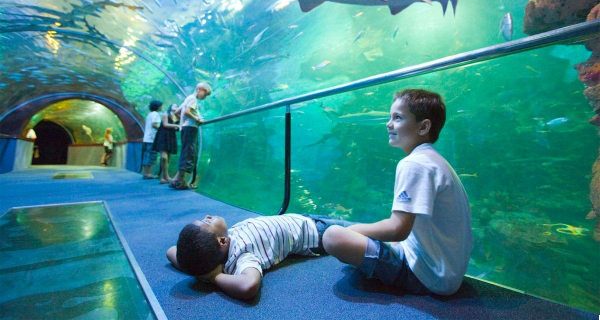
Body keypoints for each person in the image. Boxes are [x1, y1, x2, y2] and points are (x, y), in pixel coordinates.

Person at [322, 89, 473, 296]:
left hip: (428, 276)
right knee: (354, 233)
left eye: (398, 118)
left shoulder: (415, 164)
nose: (388, 124)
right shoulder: (433, 159)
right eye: (389, 117)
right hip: (446, 272)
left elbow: (397, 230)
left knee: (333, 236)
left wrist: (354, 230)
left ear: (423, 127)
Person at [166, 214, 351, 300]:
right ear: (221, 242)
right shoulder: (242, 256)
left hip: (302, 220)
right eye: (207, 222)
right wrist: (214, 277)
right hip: (315, 234)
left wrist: (200, 270)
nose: (207, 216)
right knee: (362, 230)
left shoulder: (218, 248)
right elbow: (249, 286)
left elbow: (172, 251)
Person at [170, 82, 211, 190]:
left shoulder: (188, 98)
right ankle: (181, 181)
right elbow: (187, 112)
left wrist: (183, 121)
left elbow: (178, 112)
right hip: (190, 128)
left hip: (185, 128)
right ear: (200, 89)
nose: (205, 97)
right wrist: (198, 119)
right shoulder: (193, 99)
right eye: (205, 94)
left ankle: (176, 179)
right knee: (189, 153)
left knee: (185, 152)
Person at [152, 103, 180, 184]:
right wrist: (177, 126)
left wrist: (178, 127)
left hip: (171, 136)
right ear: (170, 107)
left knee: (168, 157)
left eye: (177, 105)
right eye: (174, 105)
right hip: (163, 136)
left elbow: (177, 127)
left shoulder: (178, 116)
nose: (176, 106)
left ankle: (163, 177)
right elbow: (165, 124)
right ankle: (166, 176)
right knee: (164, 157)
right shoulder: (165, 114)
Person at [142, 99, 162, 179]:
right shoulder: (155, 114)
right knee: (151, 155)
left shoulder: (149, 114)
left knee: (147, 155)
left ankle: (145, 173)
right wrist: (162, 130)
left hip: (146, 138)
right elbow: (154, 125)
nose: (161, 107)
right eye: (160, 106)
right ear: (157, 106)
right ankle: (148, 173)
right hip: (152, 139)